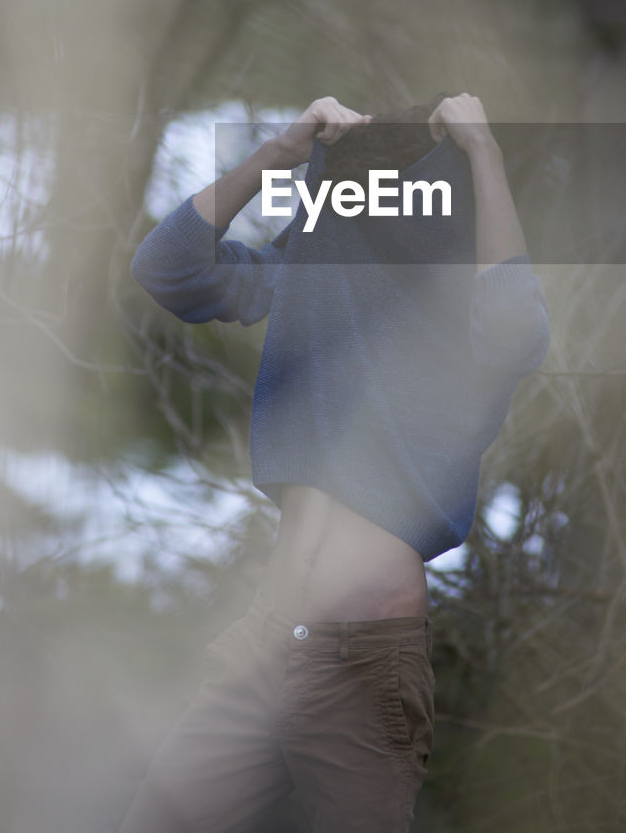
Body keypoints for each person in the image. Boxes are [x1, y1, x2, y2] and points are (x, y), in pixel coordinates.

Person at [119, 92, 550, 833]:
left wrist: (485, 154)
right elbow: (169, 268)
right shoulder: (305, 279)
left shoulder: (460, 338)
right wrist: (278, 153)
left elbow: (516, 320)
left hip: (364, 655)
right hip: (262, 641)